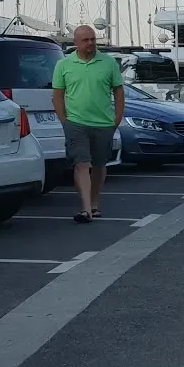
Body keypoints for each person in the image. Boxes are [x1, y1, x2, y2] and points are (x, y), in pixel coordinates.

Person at [52, 26, 124, 223]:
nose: (91, 43)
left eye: (93, 39)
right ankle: (85, 209)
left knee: (99, 165)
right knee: (81, 163)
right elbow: (57, 95)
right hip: (76, 123)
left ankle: (94, 203)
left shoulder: (109, 63)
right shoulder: (64, 65)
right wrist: (64, 120)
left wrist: (116, 120)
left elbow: (118, 92)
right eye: (86, 40)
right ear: (76, 42)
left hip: (104, 123)